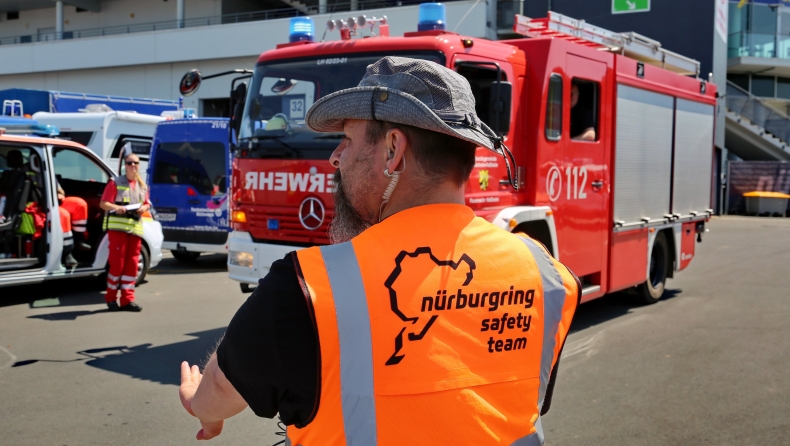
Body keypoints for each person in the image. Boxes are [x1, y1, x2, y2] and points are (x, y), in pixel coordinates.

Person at [179, 57, 580, 444]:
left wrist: (201, 407)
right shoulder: (547, 274)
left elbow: (220, 389)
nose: (335, 157)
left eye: (347, 139)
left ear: (393, 150)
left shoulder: (307, 286)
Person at [99, 153, 149, 312]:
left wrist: (144, 207)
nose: (133, 165)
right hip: (118, 229)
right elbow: (104, 204)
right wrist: (117, 208)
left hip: (135, 229)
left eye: (136, 163)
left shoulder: (142, 185)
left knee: (132, 266)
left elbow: (147, 203)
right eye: (129, 163)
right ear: (125, 165)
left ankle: (127, 300)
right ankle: (111, 299)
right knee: (117, 265)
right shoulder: (115, 182)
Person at [57, 184, 91, 268]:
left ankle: (79, 239)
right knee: (64, 215)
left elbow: (60, 190)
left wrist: (59, 194)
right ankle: (67, 252)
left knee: (80, 204)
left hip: (55, 200)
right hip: (39, 202)